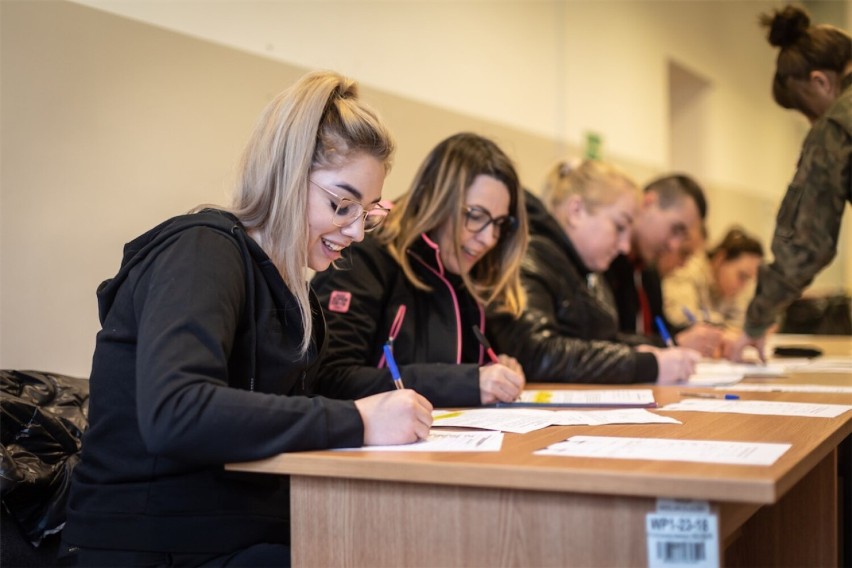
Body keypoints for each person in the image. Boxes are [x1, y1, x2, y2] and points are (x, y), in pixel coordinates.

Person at [62, 71, 433, 567]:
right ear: (285, 173)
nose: (356, 231)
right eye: (341, 204)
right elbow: (178, 411)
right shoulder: (202, 252)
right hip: (155, 543)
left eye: (367, 213)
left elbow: (321, 390)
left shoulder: (291, 289)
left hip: (236, 531)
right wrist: (358, 420)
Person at [311, 132, 528, 407]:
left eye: (499, 223)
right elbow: (331, 378)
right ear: (435, 199)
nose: (488, 239)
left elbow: (454, 366)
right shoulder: (365, 252)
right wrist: (467, 382)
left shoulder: (469, 266)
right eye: (475, 216)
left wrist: (495, 370)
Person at [487, 159, 700, 385]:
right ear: (576, 211)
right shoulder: (529, 256)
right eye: (619, 227)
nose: (625, 246)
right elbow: (538, 354)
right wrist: (645, 364)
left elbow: (600, 340)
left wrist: (644, 350)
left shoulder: (584, 269)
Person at [730, 5, 851, 362]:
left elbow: (805, 245)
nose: (814, 122)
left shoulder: (836, 124)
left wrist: (754, 324)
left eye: (809, 111)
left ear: (820, 82)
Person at [603, 173, 726, 357]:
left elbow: (657, 328)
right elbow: (603, 340)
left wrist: (708, 337)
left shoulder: (647, 271)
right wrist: (676, 343)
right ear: (648, 202)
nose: (674, 246)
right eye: (675, 229)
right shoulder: (603, 261)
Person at [663, 227, 764, 330]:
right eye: (742, 276)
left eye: (748, 279)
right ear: (721, 259)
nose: (743, 285)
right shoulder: (687, 270)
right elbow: (682, 320)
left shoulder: (730, 287)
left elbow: (740, 326)